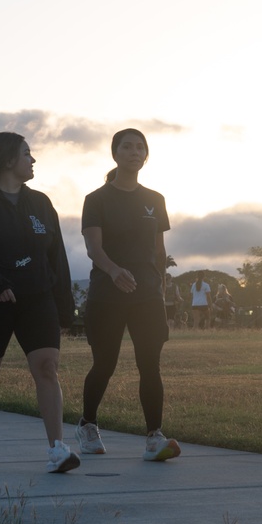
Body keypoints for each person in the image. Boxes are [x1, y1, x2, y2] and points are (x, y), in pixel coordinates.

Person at [0, 132, 80, 473]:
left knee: (47, 368)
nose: (33, 159)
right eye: (28, 153)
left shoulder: (41, 202)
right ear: (9, 160)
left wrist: (64, 306)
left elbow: (57, 257)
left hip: (37, 298)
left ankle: (57, 448)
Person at [75, 128, 181, 463]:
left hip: (148, 296)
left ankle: (154, 437)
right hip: (107, 294)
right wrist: (114, 270)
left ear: (145, 156)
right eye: (127, 147)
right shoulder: (97, 199)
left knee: (150, 365)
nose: (134, 152)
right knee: (104, 364)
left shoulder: (155, 199)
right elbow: (93, 248)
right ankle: (88, 424)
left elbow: (159, 251)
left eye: (140, 147)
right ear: (115, 153)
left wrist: (160, 286)